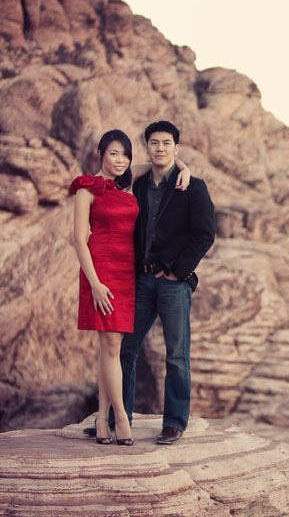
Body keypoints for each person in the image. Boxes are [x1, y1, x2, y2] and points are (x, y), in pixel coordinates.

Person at [71, 129, 190, 446]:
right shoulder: (86, 191)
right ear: (100, 154)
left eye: (125, 154)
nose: (120, 160)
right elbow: (79, 240)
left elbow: (160, 164)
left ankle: (100, 417)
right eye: (113, 153)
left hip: (128, 273)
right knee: (112, 347)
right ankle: (120, 418)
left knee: (109, 349)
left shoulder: (128, 180)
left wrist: (185, 168)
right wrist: (95, 284)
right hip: (102, 272)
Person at [119, 120, 215, 445]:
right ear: (147, 147)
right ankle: (120, 419)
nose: (160, 148)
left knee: (176, 354)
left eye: (166, 143)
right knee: (125, 349)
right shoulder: (140, 185)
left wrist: (178, 271)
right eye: (154, 143)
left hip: (173, 283)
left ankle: (174, 422)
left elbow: (205, 235)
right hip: (141, 280)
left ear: (176, 148)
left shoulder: (193, 187)